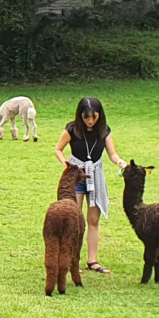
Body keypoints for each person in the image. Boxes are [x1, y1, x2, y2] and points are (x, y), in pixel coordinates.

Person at [54, 96, 127, 275]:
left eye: (94, 117)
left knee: (93, 220)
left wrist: (119, 161)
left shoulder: (104, 131)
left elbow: (112, 153)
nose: (91, 121)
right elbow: (58, 149)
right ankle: (72, 260)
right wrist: (65, 163)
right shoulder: (72, 130)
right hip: (76, 176)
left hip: (96, 175)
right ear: (80, 116)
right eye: (87, 117)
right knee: (75, 220)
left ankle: (92, 261)